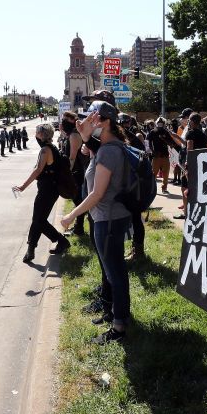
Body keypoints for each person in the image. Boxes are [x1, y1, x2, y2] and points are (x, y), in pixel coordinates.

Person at [63, 102, 133, 345]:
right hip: (109, 217)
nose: (86, 122)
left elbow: (97, 194)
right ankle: (116, 314)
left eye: (91, 118)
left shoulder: (109, 151)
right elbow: (92, 149)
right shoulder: (108, 146)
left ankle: (120, 326)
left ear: (103, 122)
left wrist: (72, 215)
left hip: (109, 219)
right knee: (114, 271)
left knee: (115, 273)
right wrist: (84, 136)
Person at [13, 123, 70, 263]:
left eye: (37, 133)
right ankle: (32, 249)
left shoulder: (45, 150)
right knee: (39, 220)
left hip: (47, 190)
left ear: (42, 134)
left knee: (38, 220)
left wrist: (23, 186)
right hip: (50, 189)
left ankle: (58, 242)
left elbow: (38, 170)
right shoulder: (52, 148)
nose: (35, 135)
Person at [59, 112, 87, 237]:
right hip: (75, 171)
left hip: (77, 172)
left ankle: (79, 228)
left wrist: (66, 174)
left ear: (73, 120)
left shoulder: (75, 135)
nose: (63, 121)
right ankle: (78, 227)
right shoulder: (71, 134)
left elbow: (72, 157)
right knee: (78, 200)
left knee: (78, 200)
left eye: (66, 119)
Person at [146, 117, 181, 193]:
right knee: (154, 173)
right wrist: (152, 151)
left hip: (165, 156)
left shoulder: (166, 132)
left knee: (166, 174)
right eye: (159, 121)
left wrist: (164, 139)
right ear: (156, 123)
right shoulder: (152, 132)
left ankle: (164, 188)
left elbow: (172, 144)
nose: (160, 122)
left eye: (161, 122)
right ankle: (151, 188)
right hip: (156, 156)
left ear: (164, 123)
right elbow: (148, 142)